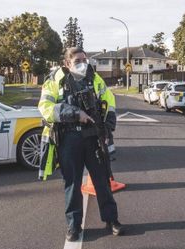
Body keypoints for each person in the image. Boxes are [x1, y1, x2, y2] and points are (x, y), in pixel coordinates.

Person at [38, 47, 123, 242]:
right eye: (77, 61)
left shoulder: (94, 78)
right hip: (69, 139)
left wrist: (109, 123)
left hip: (93, 138)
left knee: (102, 180)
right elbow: (45, 108)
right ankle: (73, 225)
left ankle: (112, 219)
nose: (83, 64)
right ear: (67, 63)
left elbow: (108, 98)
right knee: (72, 184)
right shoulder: (54, 80)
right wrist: (75, 114)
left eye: (84, 59)